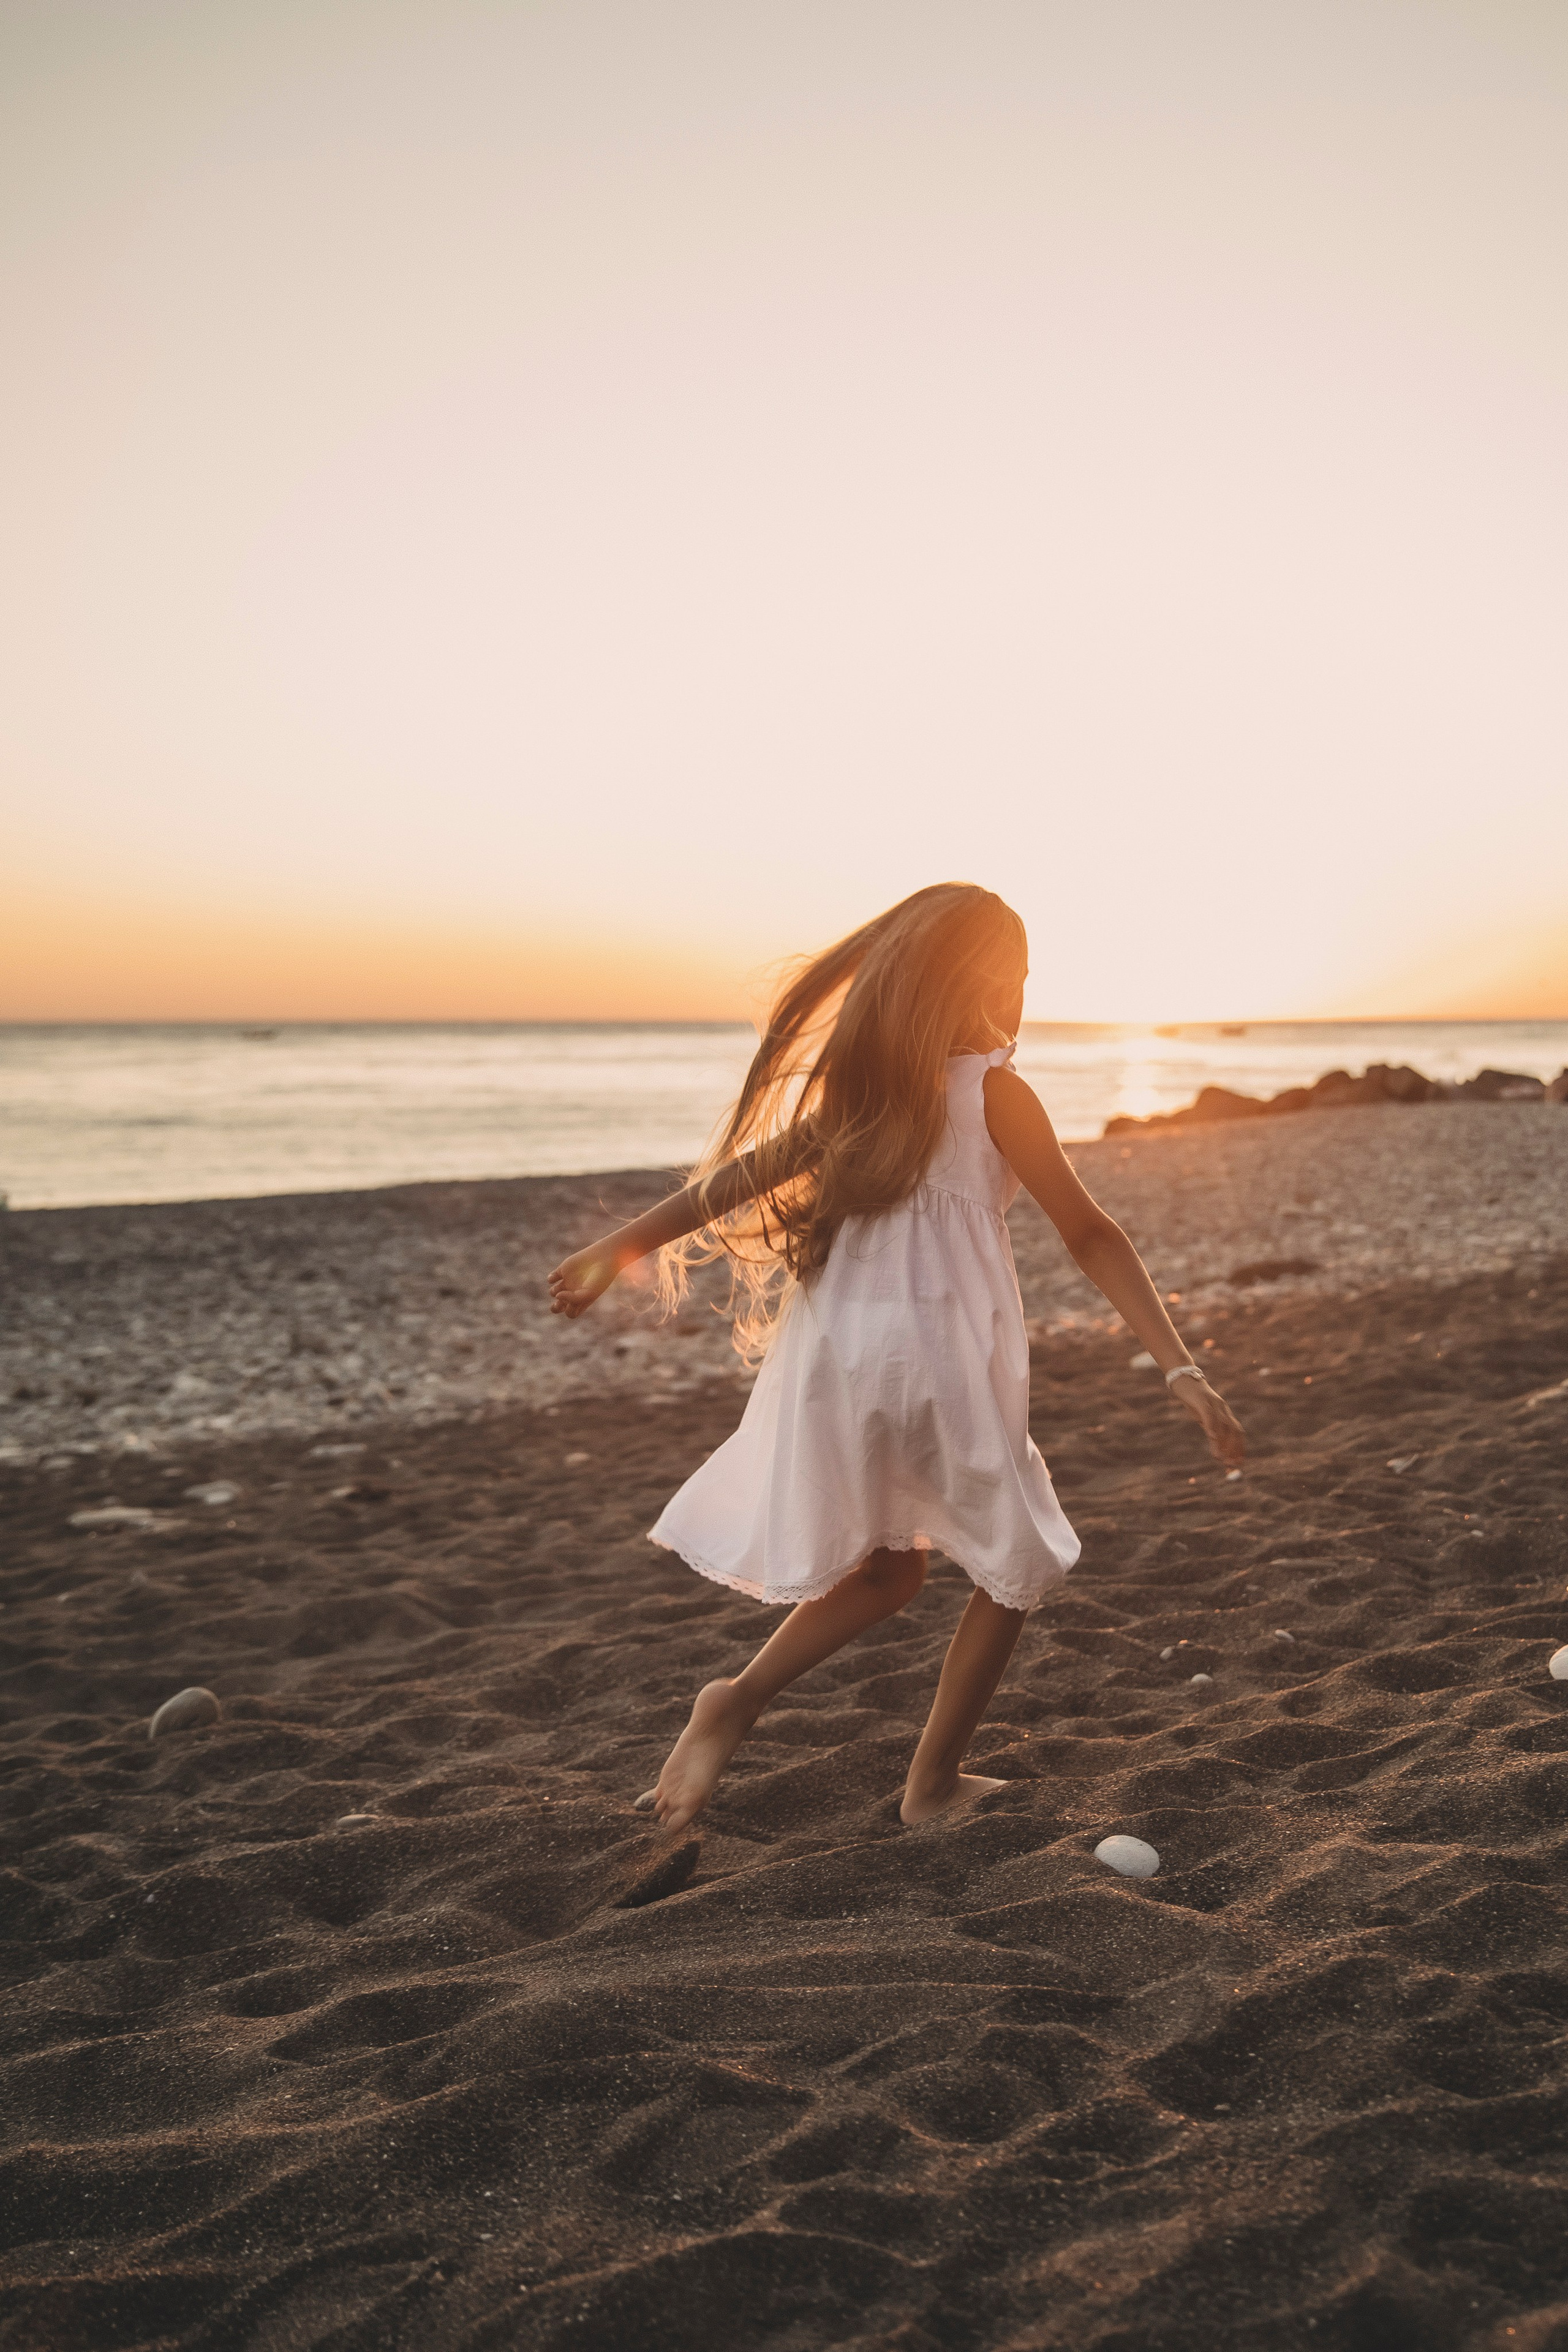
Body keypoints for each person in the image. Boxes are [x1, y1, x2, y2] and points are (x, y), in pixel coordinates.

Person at [549, 883, 1243, 1832]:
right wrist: (1179, 1365)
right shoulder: (998, 1093)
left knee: (890, 1572)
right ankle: (932, 1786)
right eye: (1022, 974)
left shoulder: (864, 1101)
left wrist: (614, 1252)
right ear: (990, 983)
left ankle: (736, 1700)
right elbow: (1090, 1232)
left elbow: (731, 1185)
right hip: (942, 1354)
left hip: (839, 1353)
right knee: (1019, 1562)